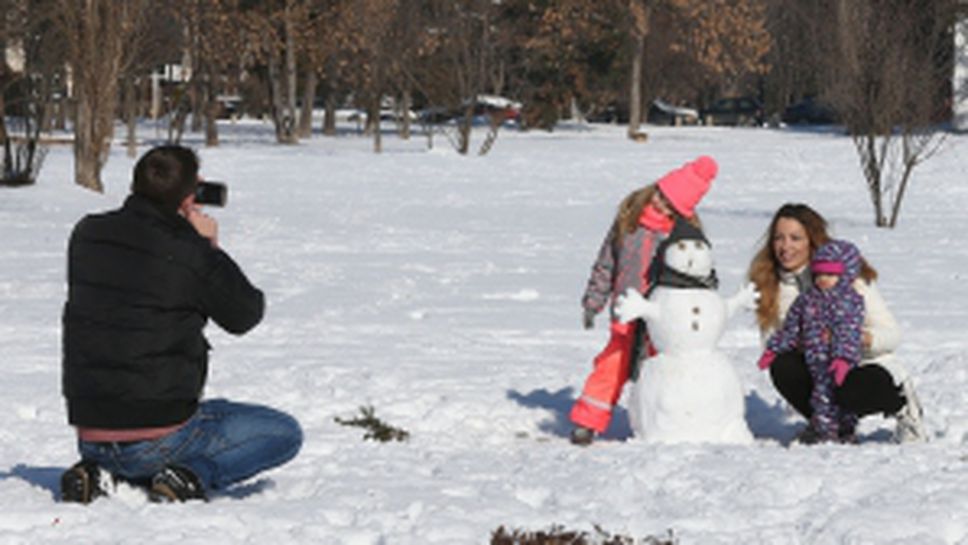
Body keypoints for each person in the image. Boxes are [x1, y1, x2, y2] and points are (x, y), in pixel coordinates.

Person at [60, 145, 302, 503]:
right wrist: (207, 246)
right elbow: (245, 314)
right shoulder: (190, 251)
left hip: (91, 434)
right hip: (161, 435)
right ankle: (188, 476)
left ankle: (100, 472)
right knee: (283, 433)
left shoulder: (87, 234)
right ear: (190, 196)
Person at [747, 203, 926, 443]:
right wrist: (804, 340)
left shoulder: (847, 277)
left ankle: (902, 402)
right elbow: (771, 341)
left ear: (812, 240)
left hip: (864, 365)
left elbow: (893, 335)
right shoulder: (770, 285)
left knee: (847, 387)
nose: (785, 246)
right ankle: (825, 424)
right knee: (783, 367)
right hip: (816, 364)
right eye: (779, 238)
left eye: (795, 238)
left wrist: (858, 339)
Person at [570, 156, 718, 445]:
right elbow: (606, 263)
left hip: (662, 319)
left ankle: (667, 421)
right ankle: (588, 420)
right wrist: (593, 301)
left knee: (661, 371)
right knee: (612, 366)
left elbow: (697, 273)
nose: (662, 205)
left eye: (671, 205)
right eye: (661, 196)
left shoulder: (681, 236)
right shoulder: (627, 222)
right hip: (626, 314)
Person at [759, 239, 865, 443]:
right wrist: (774, 349)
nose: (823, 279)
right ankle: (824, 430)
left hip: (838, 361)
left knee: (838, 398)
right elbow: (791, 328)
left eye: (831, 274)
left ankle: (842, 430)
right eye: (819, 274)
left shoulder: (850, 301)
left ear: (846, 275)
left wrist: (843, 358)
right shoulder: (806, 300)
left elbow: (849, 331)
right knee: (820, 396)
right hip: (814, 361)